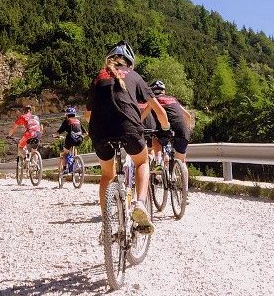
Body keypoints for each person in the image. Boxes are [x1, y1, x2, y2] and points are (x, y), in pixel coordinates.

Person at [85, 41, 171, 233]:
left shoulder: (98, 78)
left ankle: (107, 223)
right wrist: (165, 126)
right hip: (129, 127)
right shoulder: (134, 76)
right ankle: (140, 204)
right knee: (141, 162)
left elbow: (88, 115)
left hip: (100, 130)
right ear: (129, 63)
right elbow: (157, 109)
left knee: (107, 174)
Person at [144, 80, 194, 162]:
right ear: (164, 91)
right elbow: (188, 116)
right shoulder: (173, 99)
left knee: (155, 136)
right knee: (181, 161)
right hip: (183, 130)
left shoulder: (154, 101)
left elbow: (144, 115)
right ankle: (180, 173)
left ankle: (158, 162)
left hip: (166, 129)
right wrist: (188, 129)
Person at [56, 106, 87, 173]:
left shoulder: (67, 121)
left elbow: (59, 131)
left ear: (67, 115)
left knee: (65, 153)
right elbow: (86, 133)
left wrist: (55, 135)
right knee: (74, 148)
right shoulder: (78, 121)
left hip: (70, 138)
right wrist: (80, 136)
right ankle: (76, 163)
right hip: (79, 139)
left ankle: (65, 170)